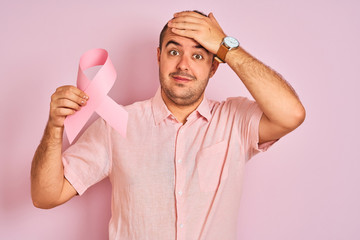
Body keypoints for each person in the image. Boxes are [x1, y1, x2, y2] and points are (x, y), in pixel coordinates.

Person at [31, 10, 305, 240]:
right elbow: (46, 195)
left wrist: (225, 46)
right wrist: (54, 127)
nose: (184, 65)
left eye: (198, 55)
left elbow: (291, 114)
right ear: (159, 56)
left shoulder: (234, 120)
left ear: (213, 68)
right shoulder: (115, 125)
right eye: (174, 51)